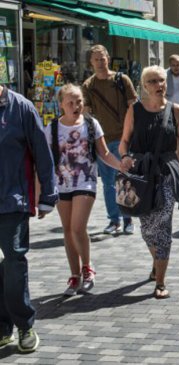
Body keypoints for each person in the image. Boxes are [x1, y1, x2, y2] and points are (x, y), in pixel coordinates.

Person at [119, 65, 179, 299]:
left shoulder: (175, 110)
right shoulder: (134, 110)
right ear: (144, 86)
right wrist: (125, 157)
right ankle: (156, 261)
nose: (160, 85)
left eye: (162, 80)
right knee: (148, 229)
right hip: (141, 175)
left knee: (164, 227)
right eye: (154, 81)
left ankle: (160, 281)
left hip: (167, 173)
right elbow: (124, 142)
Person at [46, 84, 123, 296]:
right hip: (61, 184)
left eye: (78, 101)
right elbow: (43, 162)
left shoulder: (91, 124)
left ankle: (87, 268)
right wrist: (39, 194)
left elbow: (105, 153)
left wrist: (121, 166)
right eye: (70, 102)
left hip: (85, 182)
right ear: (61, 104)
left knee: (77, 227)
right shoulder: (52, 128)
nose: (75, 105)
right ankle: (74, 275)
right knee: (67, 230)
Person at [0, 83, 58, 353]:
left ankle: (24, 323)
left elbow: (42, 153)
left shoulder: (21, 107)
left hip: (13, 200)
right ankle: (2, 326)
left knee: (13, 262)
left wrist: (49, 194)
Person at [82, 44, 138, 235]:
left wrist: (131, 134)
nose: (99, 62)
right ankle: (114, 220)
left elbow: (133, 107)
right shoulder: (88, 85)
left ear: (108, 58)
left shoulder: (122, 80)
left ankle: (128, 219)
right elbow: (86, 113)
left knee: (124, 179)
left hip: (122, 138)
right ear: (91, 62)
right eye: (96, 59)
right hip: (102, 141)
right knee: (107, 183)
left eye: (102, 58)